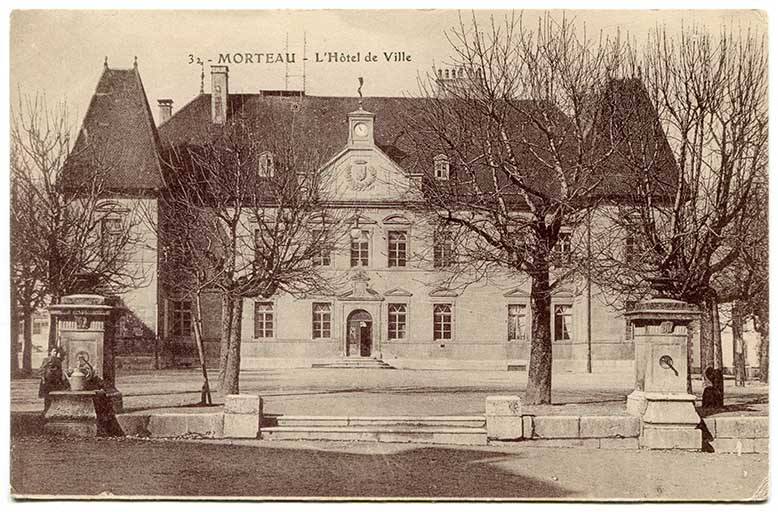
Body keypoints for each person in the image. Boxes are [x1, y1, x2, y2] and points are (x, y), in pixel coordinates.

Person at [38, 347, 69, 413]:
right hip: (47, 380)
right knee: (47, 396)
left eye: (56, 352)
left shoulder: (58, 361)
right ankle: (46, 410)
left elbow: (60, 371)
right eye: (54, 351)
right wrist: (43, 379)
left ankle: (55, 410)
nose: (55, 353)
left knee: (56, 396)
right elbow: (41, 370)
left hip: (55, 381)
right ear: (50, 352)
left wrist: (61, 381)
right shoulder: (46, 360)